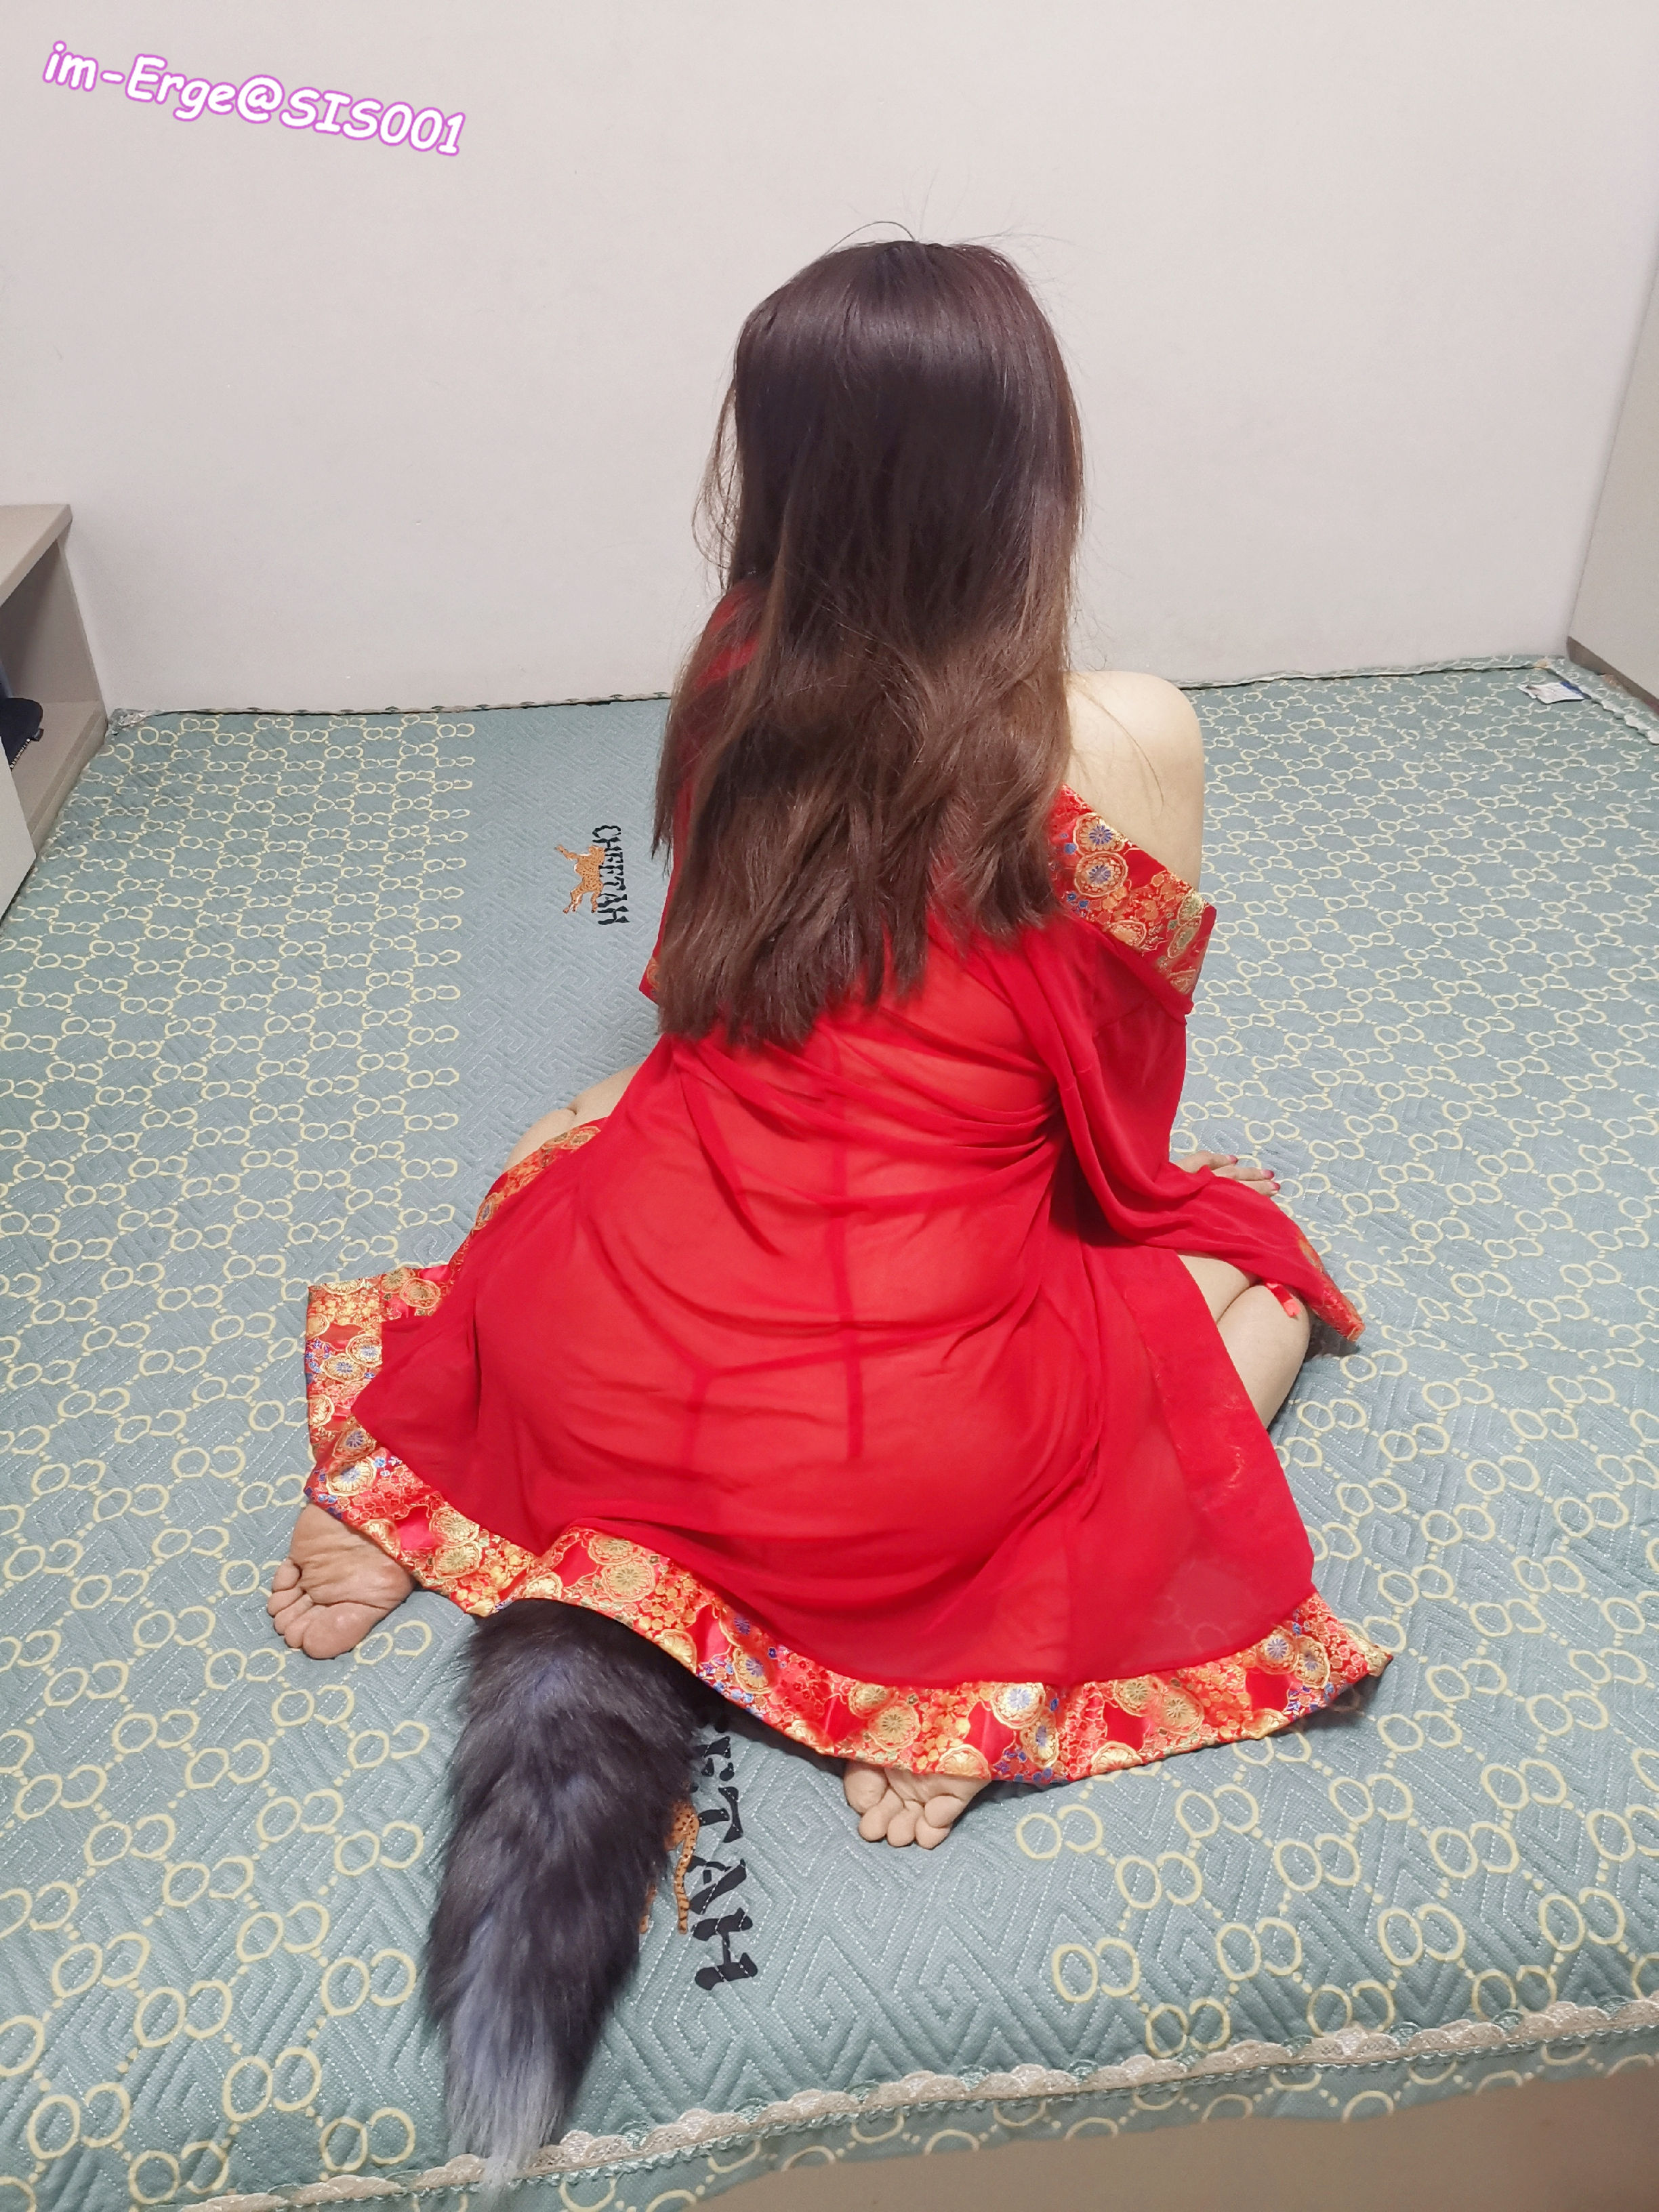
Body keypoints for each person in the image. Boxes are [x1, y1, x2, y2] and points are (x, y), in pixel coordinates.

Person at [269, 239, 1382, 1860]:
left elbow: (715, 989)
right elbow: (1122, 1103)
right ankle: (987, 1671)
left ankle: (419, 1510)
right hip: (899, 1470)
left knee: (586, 1142)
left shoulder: (735, 667)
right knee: (1256, 1264)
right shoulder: (1123, 733)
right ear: (1032, 470)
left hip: (587, 1366)